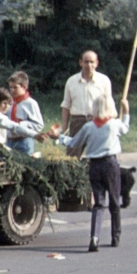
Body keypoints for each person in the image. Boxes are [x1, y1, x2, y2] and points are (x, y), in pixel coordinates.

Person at [50, 94, 130, 252]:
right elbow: (125, 129)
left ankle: (94, 237)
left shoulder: (88, 127)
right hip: (110, 164)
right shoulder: (114, 125)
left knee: (98, 203)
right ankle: (116, 236)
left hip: (94, 165)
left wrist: (58, 137)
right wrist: (126, 111)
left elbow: (73, 142)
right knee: (114, 202)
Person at [59, 50, 112, 157]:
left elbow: (108, 104)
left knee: (100, 155)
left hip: (97, 121)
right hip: (77, 121)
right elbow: (66, 106)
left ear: (97, 63)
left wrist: (110, 124)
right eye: (86, 62)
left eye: (92, 62)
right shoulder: (71, 81)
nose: (89, 65)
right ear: (80, 63)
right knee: (72, 156)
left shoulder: (104, 81)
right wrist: (64, 128)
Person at [4, 71, 44, 154]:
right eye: (10, 87)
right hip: (8, 142)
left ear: (24, 87)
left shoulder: (30, 103)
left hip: (24, 142)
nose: (12, 90)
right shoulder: (8, 102)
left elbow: (39, 125)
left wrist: (22, 124)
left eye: (15, 87)